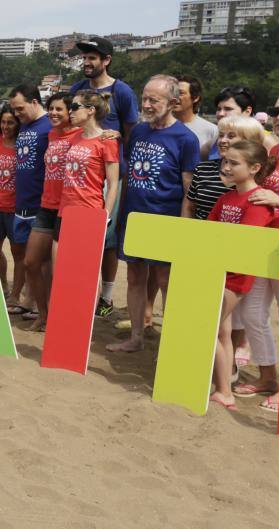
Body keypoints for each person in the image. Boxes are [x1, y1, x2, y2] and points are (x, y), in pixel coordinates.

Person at [109, 75, 200, 353]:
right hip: (135, 218)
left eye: (153, 100)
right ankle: (136, 336)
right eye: (144, 98)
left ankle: (173, 342)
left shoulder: (186, 139)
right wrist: (121, 215)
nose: (146, 105)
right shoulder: (137, 132)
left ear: (172, 102)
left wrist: (185, 226)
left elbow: (189, 188)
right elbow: (128, 178)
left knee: (165, 280)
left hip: (166, 220)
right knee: (135, 277)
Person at [70, 36, 140, 319]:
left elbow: (131, 131)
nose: (87, 62)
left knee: (107, 239)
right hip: (80, 174)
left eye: (93, 58)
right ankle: (80, 292)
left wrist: (120, 137)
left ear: (106, 60)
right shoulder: (76, 89)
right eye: (85, 58)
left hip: (111, 175)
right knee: (78, 238)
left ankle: (107, 296)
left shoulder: (121, 91)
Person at [207, 139, 274, 410]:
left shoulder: (258, 201)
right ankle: (224, 390)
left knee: (210, 326)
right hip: (216, 269)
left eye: (234, 163)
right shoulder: (226, 197)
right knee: (221, 331)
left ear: (255, 167)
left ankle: (223, 389)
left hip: (235, 276)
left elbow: (246, 243)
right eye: (225, 161)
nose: (226, 166)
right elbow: (208, 231)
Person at [246, 93, 279, 414]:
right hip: (263, 244)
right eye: (276, 110)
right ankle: (267, 377)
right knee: (253, 314)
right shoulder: (273, 151)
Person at [23, 92, 80, 326]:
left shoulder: (81, 135)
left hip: (69, 209)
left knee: (62, 271)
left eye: (59, 109)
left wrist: (112, 133)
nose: (54, 113)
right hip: (46, 206)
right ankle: (44, 313)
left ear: (70, 113)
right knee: (31, 262)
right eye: (51, 109)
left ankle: (61, 319)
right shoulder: (50, 135)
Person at [56, 91, 120, 262]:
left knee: (88, 272)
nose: (70, 111)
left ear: (91, 110)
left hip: (90, 211)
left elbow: (113, 184)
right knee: (64, 267)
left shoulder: (107, 141)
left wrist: (105, 215)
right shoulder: (75, 135)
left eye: (75, 107)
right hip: (65, 211)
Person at [8, 83, 52, 311]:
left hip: (41, 203)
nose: (17, 114)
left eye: (20, 108)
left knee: (40, 261)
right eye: (14, 110)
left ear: (35, 102)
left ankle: (40, 305)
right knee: (24, 256)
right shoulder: (24, 126)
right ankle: (29, 299)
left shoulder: (50, 126)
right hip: (21, 202)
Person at [0, 104, 27, 315]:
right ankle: (3, 287)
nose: (5, 126)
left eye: (10, 122)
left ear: (17, 124)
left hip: (16, 209)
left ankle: (15, 293)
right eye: (3, 122)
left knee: (18, 253)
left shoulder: (23, 145)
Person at [174, 74, 218, 160]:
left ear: (195, 98)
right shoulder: (161, 127)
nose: (175, 97)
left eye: (180, 93)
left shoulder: (211, 130)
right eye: (173, 93)